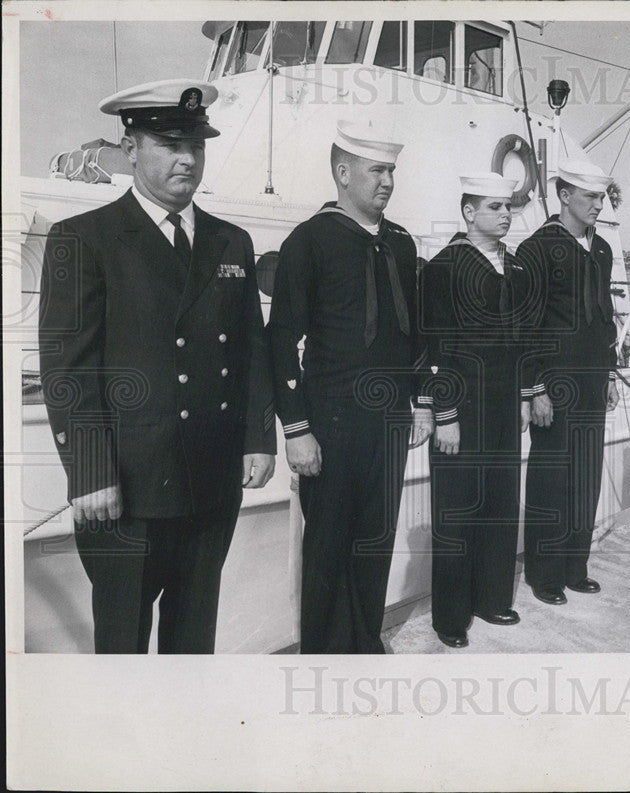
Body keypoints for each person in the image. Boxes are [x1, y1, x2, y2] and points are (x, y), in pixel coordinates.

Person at [38, 79, 276, 654]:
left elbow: (250, 350)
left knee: (194, 638)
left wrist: (258, 438)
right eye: (169, 144)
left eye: (195, 146)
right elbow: (69, 370)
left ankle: (182, 740)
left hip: (212, 480)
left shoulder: (230, 242)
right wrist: (91, 472)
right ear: (131, 144)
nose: (186, 159)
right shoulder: (84, 239)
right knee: (122, 641)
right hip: (127, 486)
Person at [267, 120, 433, 654]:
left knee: (375, 541)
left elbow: (416, 336)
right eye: (376, 170)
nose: (387, 181)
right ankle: (323, 656)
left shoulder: (402, 244)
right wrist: (296, 429)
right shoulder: (309, 242)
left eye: (391, 171)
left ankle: (365, 644)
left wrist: (421, 402)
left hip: (387, 424)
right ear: (343, 173)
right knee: (327, 547)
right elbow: (279, 342)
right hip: (330, 424)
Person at [418, 173, 532, 648]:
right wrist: (443, 413)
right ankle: (450, 615)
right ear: (469, 212)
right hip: (462, 409)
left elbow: (522, 341)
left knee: (501, 505)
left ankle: (492, 598)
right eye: (494, 208)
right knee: (457, 511)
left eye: (508, 208)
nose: (505, 216)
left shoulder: (516, 269)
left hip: (504, 408)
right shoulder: (444, 268)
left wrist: (525, 395)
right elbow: (430, 346)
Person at [518, 159, 620, 606]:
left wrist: (612, 371)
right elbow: (525, 326)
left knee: (585, 476)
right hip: (555, 383)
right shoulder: (536, 249)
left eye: (601, 197)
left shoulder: (602, 250)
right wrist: (535, 387)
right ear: (564, 195)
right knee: (550, 477)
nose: (600, 205)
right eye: (591, 197)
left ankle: (575, 565)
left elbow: (604, 317)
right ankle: (544, 573)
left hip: (594, 379)